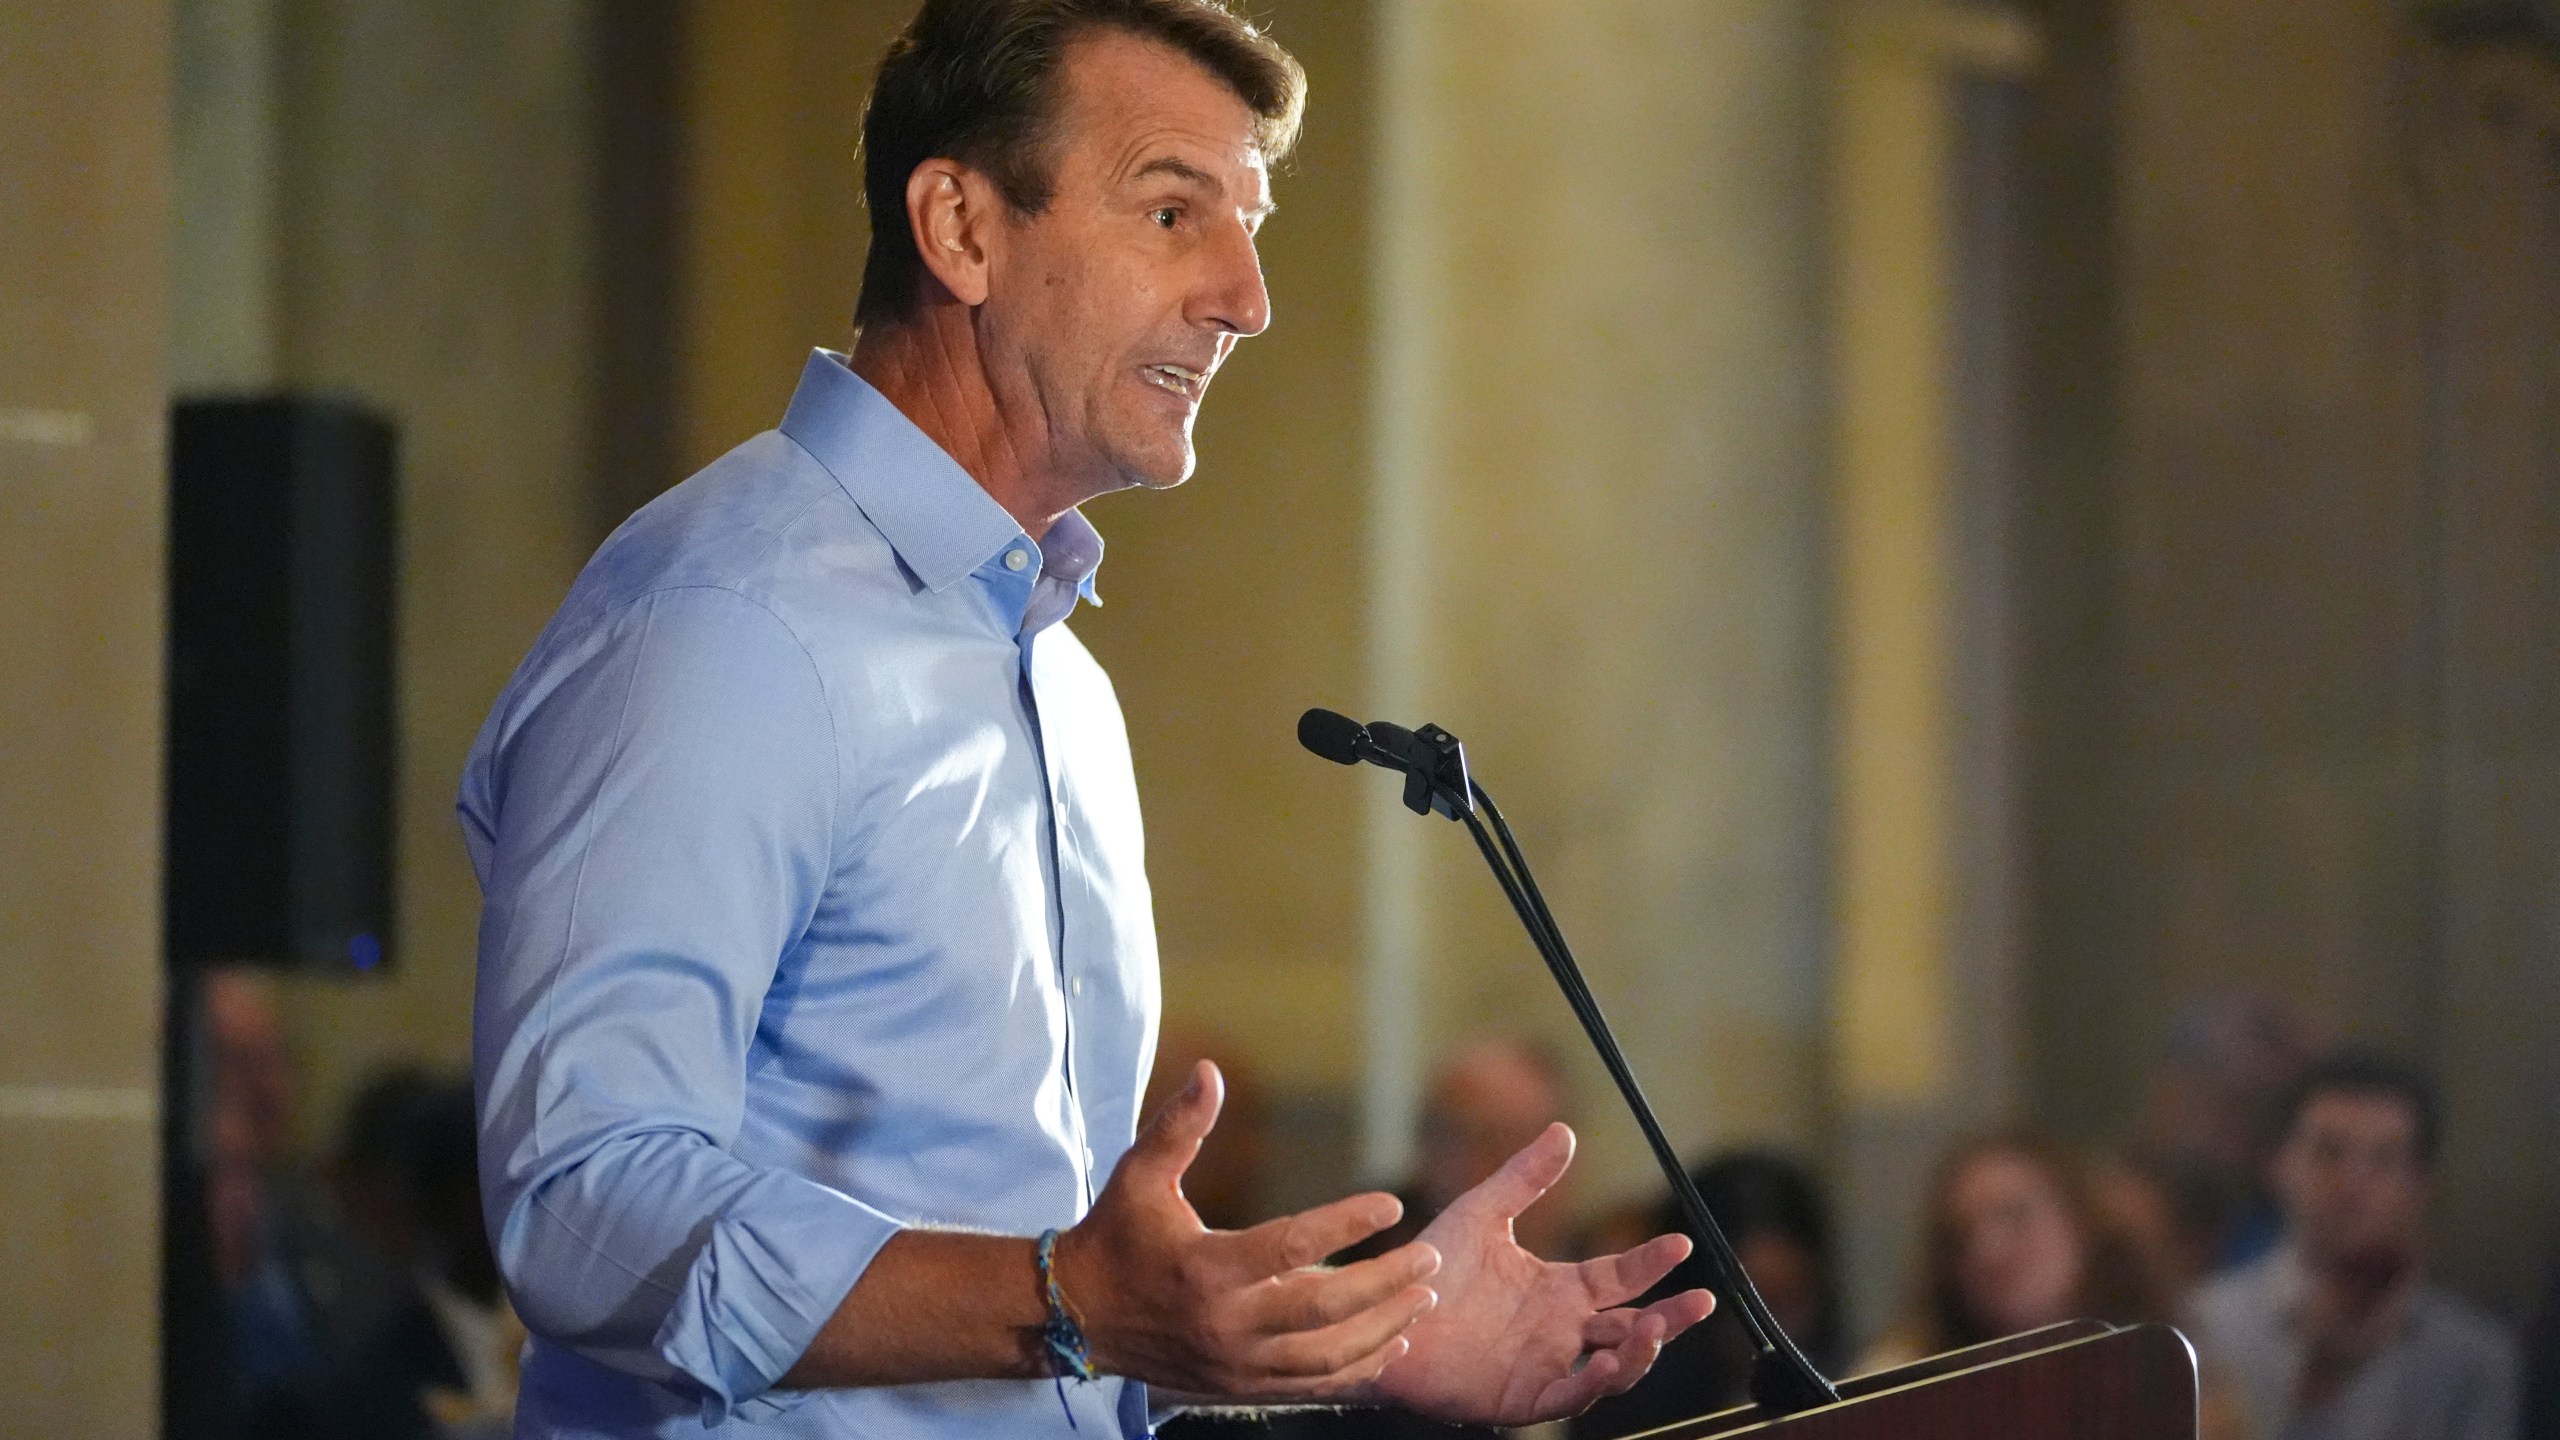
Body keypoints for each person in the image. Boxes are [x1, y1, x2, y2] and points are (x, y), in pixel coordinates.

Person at [459, 3, 1712, 1437]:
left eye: (1249, 229)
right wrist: (1071, 1298)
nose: (1245, 297)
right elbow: (582, 1206)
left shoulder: (1057, 676)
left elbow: (1057, 1319)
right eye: (1173, 212)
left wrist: (1339, 1345)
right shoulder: (727, 625)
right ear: (961, 229)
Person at [2187, 1051, 2519, 1440]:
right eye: (2328, 1153)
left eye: (2385, 1159)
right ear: (2277, 1165)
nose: (2354, 1185)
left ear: (2421, 1183)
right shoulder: (2205, 1328)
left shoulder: (2472, 1360)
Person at [1570, 1150, 1844, 1439]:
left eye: (1786, 1301)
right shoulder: (1619, 1412)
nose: (1772, 1335)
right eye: (1745, 1306)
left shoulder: (1852, 1390)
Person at [1863, 1133, 2168, 1368]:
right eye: (1960, 1236)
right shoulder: (1901, 1376)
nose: (1986, 1251)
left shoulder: (2174, 1364)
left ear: (2082, 1221)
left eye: (2015, 1216)